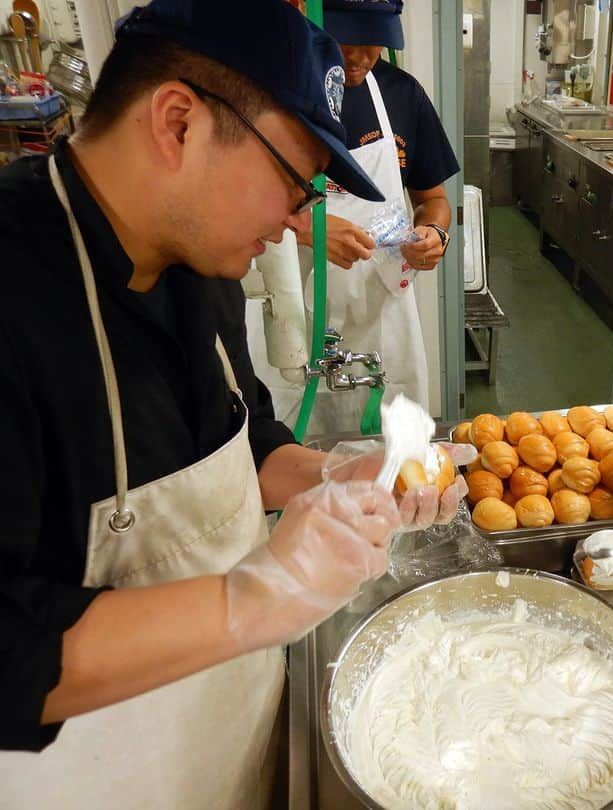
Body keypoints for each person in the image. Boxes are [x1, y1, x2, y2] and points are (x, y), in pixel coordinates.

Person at [0, 1, 463, 806]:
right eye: (292, 183)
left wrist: (341, 472)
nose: (294, 222)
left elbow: (242, 441)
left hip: (233, 735)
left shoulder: (196, 265)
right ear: (178, 123)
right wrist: (249, 600)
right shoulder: (16, 294)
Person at [255, 0, 460, 433]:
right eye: (346, 36)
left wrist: (433, 232)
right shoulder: (270, 90)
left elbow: (434, 199)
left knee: (391, 456)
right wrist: (307, 226)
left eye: (375, 41)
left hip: (382, 317)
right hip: (295, 317)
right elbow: (232, 201)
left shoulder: (403, 95)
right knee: (295, 455)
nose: (359, 55)